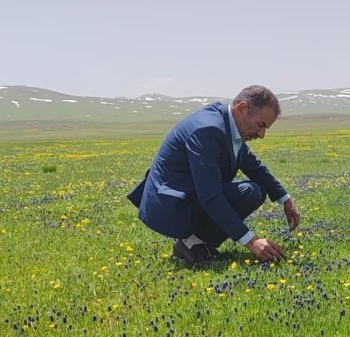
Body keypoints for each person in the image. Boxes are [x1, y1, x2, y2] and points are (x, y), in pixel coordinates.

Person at [128, 85, 300, 264]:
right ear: (242, 108)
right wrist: (251, 241)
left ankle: (197, 242)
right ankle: (190, 243)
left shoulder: (228, 123)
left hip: (187, 195)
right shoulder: (208, 129)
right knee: (244, 193)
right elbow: (210, 195)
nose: (262, 134)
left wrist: (285, 199)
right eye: (261, 125)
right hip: (171, 204)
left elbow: (253, 166)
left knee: (252, 191)